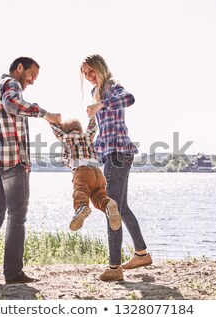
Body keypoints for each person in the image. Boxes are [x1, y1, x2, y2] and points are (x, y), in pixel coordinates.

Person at [0, 57, 61, 284]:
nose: (31, 81)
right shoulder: (11, 85)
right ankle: (13, 273)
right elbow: (12, 104)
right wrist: (45, 114)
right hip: (12, 160)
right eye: (32, 75)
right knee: (17, 215)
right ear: (19, 68)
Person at [81, 54, 152, 281]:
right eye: (85, 73)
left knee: (111, 208)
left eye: (91, 71)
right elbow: (96, 127)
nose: (89, 76)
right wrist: (84, 145)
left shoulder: (112, 86)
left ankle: (114, 268)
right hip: (111, 154)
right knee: (120, 206)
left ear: (100, 68)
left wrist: (101, 103)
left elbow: (129, 98)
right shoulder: (96, 94)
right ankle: (141, 253)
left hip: (118, 153)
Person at [50, 117, 121, 231]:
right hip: (98, 173)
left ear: (65, 130)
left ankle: (81, 207)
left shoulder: (66, 138)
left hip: (82, 172)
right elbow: (93, 127)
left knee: (81, 191)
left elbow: (57, 132)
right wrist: (92, 117)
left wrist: (51, 120)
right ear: (79, 128)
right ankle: (109, 204)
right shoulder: (87, 136)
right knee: (99, 196)